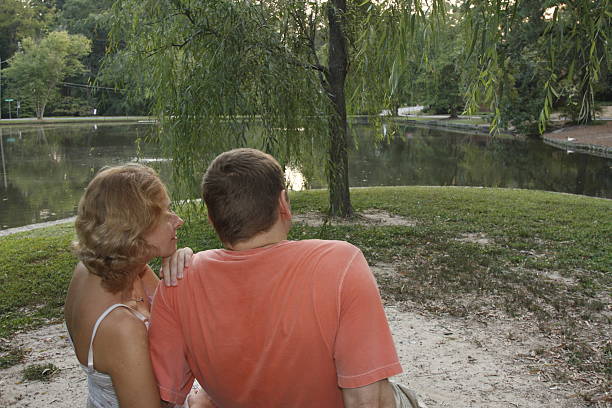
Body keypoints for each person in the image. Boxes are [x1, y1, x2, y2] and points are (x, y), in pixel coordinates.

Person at [149, 148, 417, 407]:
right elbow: (365, 401)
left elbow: (164, 396)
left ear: (211, 219)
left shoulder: (177, 280)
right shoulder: (340, 264)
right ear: (283, 203)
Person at [64, 164, 204, 408]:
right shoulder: (121, 327)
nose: (178, 221)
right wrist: (201, 402)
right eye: (166, 213)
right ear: (136, 229)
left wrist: (179, 258)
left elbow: (170, 311)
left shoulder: (106, 267)